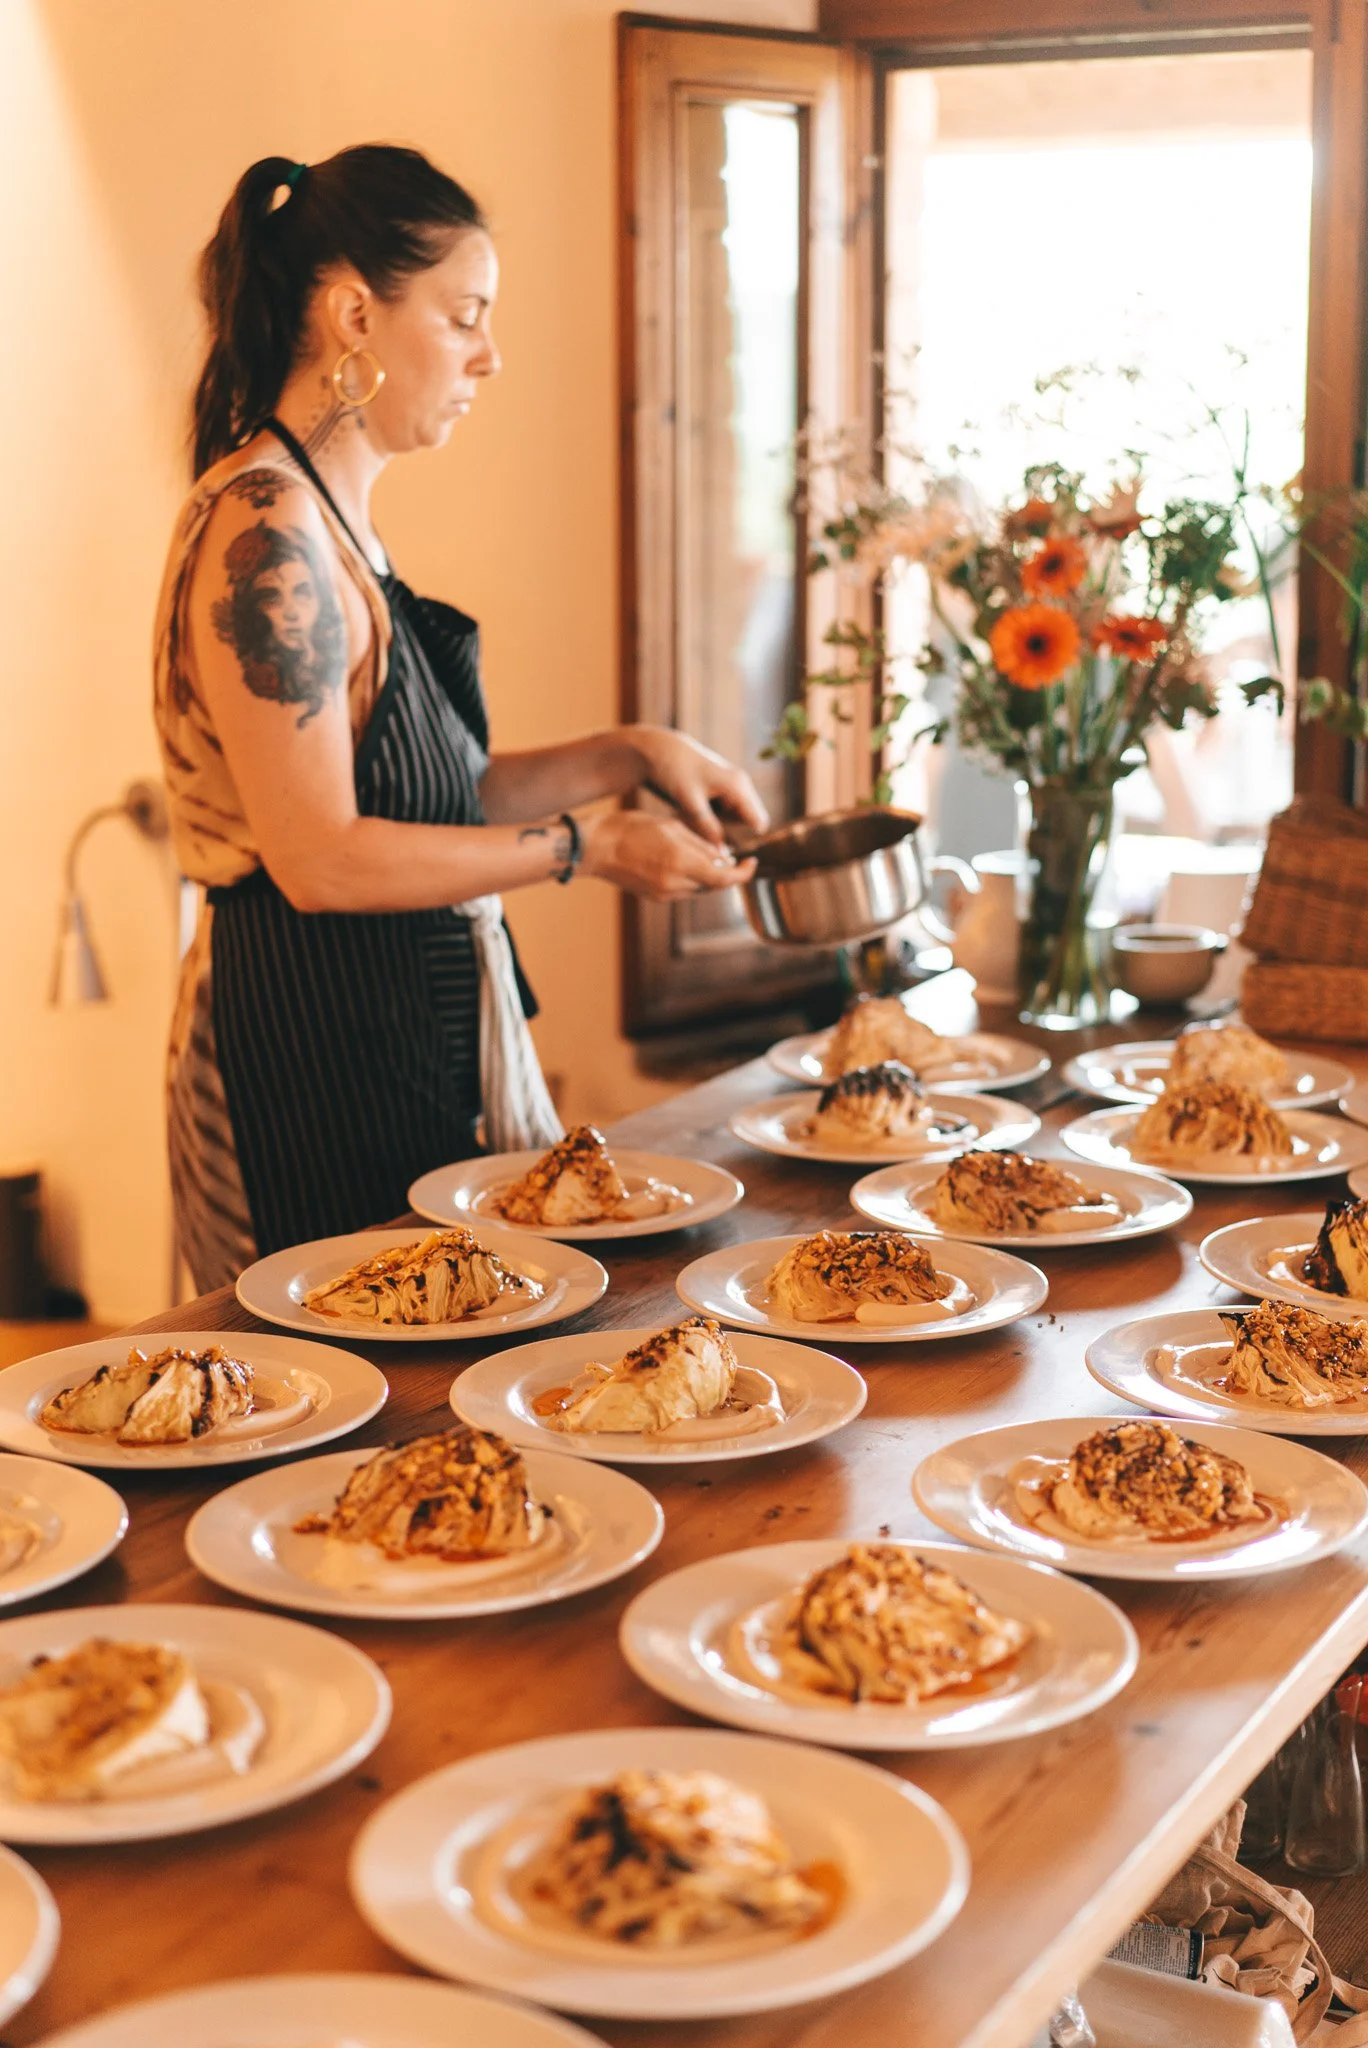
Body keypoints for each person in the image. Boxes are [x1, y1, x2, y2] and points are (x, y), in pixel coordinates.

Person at [154, 143, 766, 1292]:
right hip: (304, 1042)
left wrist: (629, 754)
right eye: (463, 313)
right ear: (352, 315)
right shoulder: (263, 530)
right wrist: (586, 847)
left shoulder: (332, 521)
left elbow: (436, 801)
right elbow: (321, 857)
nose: (490, 354)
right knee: (346, 1405)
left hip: (398, 1022)